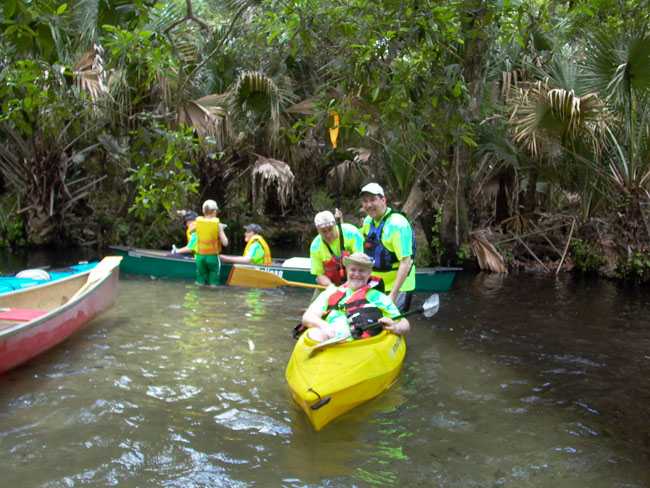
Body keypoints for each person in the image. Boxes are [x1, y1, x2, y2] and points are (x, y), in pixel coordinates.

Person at [301, 253, 410, 342]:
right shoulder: (331, 292)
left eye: (362, 270)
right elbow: (308, 317)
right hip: (330, 342)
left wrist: (395, 327)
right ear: (347, 270)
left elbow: (404, 323)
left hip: (362, 347)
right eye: (353, 270)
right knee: (314, 332)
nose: (357, 274)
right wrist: (324, 325)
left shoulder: (379, 297)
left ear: (369, 273)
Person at [360, 183, 416, 313]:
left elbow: (406, 263)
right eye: (365, 201)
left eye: (373, 200)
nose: (368, 205)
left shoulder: (397, 225)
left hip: (399, 286)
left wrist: (393, 295)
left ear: (383, 200)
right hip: (376, 284)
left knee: (392, 325)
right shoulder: (368, 221)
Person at [309, 210, 364, 287]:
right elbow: (320, 275)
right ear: (318, 231)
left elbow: (361, 264)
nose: (328, 235)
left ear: (335, 225)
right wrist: (333, 289)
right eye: (324, 231)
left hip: (357, 280)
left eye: (330, 229)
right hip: (330, 285)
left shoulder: (352, 233)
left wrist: (347, 286)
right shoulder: (315, 246)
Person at [193, 199, 228, 287]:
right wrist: (221, 230)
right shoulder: (218, 225)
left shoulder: (198, 223)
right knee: (214, 280)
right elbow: (225, 243)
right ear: (215, 212)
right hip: (212, 257)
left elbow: (190, 231)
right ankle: (212, 298)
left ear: (203, 211)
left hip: (200, 256)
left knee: (200, 279)